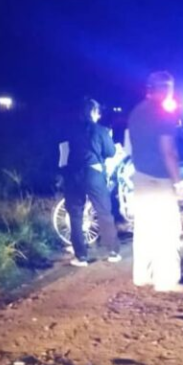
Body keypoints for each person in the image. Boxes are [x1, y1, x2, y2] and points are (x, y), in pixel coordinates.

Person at [126, 71, 183, 294]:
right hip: (160, 181)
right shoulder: (164, 114)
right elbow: (168, 151)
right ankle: (166, 281)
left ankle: (141, 276)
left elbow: (130, 146)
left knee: (144, 229)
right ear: (167, 88)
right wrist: (178, 183)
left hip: (140, 178)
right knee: (167, 231)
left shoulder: (136, 111)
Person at [63, 97, 121, 267]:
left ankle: (81, 256)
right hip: (93, 172)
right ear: (93, 112)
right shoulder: (100, 130)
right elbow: (111, 152)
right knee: (103, 211)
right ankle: (112, 251)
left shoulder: (71, 129)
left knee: (75, 214)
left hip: (73, 173)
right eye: (98, 111)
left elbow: (62, 151)